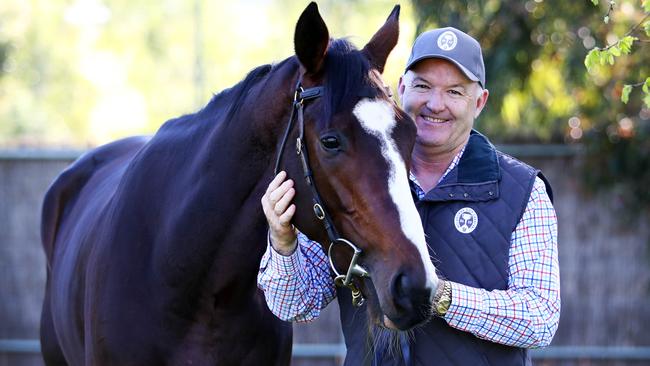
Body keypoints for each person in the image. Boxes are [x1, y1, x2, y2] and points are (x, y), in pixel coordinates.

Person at [258, 27, 560, 366]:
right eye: (422, 86)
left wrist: (442, 298)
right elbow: (294, 305)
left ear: (479, 102)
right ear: (400, 88)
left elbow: (540, 317)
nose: (435, 104)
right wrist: (283, 243)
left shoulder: (521, 190)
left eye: (455, 92)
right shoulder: (358, 177)